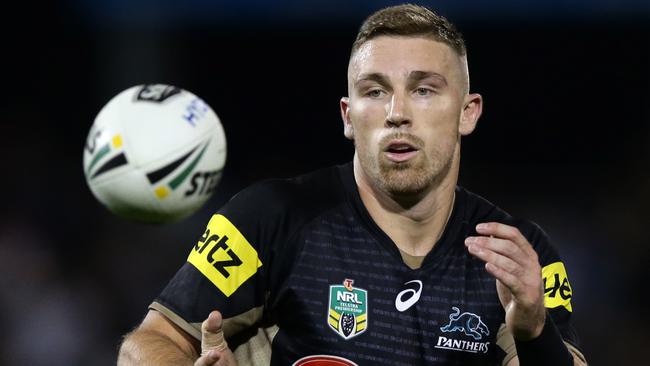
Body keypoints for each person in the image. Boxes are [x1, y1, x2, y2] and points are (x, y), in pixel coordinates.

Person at [118, 4, 587, 365]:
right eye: (375, 90)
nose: (396, 112)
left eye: (423, 89)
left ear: (468, 111)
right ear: (348, 115)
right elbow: (148, 343)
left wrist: (533, 330)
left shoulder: (520, 256)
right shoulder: (270, 219)